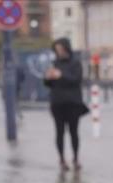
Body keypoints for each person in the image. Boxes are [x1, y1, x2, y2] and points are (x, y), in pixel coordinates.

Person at [43, 37, 88, 171]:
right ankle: (62, 159)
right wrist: (48, 77)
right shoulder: (54, 63)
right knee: (59, 132)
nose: (59, 52)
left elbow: (76, 79)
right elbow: (48, 84)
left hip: (73, 102)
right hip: (57, 102)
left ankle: (76, 157)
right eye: (57, 50)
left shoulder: (75, 63)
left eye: (61, 49)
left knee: (74, 132)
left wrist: (61, 75)